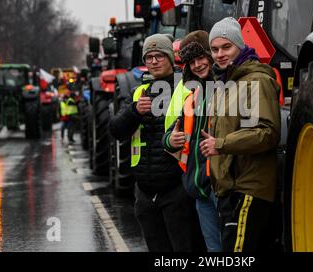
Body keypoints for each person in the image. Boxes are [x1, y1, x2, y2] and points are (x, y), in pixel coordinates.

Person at [109, 34, 205, 252]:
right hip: (145, 192)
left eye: (159, 56)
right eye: (149, 57)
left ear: (171, 58)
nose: (153, 61)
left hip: (177, 188)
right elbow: (116, 130)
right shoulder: (138, 93)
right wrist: (134, 112)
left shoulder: (188, 89)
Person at [200, 17, 281, 252]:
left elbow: (267, 133)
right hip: (230, 191)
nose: (220, 54)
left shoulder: (256, 81)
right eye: (214, 49)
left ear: (241, 46)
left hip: (249, 189)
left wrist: (222, 144)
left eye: (227, 47)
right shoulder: (225, 85)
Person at [163, 31, 222, 252]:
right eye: (191, 61)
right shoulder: (191, 94)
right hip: (199, 188)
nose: (197, 65)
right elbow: (170, 134)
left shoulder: (227, 88)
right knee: (214, 250)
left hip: (220, 185)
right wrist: (171, 139)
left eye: (201, 58)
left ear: (210, 55)